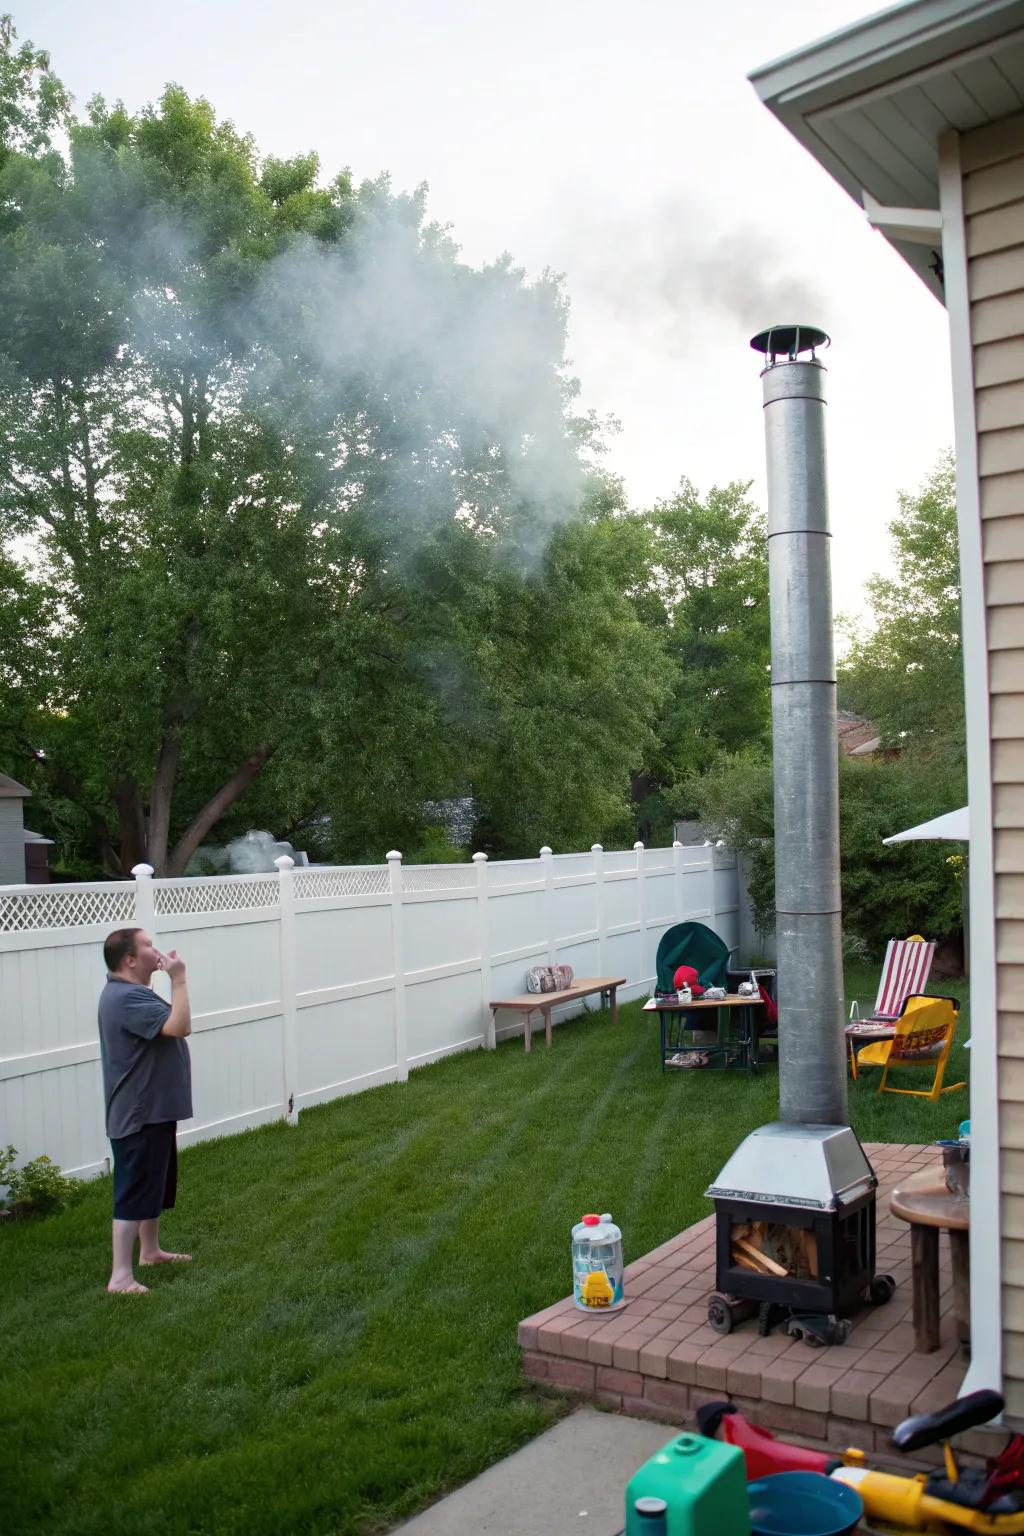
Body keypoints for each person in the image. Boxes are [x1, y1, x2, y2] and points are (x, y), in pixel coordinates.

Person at [98, 927, 193, 1294]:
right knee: (133, 1189)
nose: (156, 949)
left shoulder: (134, 994)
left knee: (154, 1182)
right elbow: (180, 1026)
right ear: (130, 960)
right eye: (147, 945)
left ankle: (149, 1251)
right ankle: (120, 1276)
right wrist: (179, 978)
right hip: (138, 1113)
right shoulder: (124, 998)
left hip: (153, 1108)